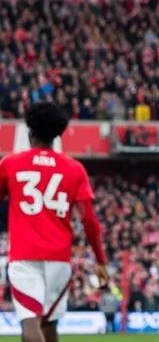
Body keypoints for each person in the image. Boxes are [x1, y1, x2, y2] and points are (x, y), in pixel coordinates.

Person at [0, 102, 109, 342]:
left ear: (30, 133)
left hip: (25, 258)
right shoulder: (75, 169)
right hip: (60, 261)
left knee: (30, 325)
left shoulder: (10, 164)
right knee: (48, 325)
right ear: (58, 135)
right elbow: (90, 220)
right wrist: (100, 260)